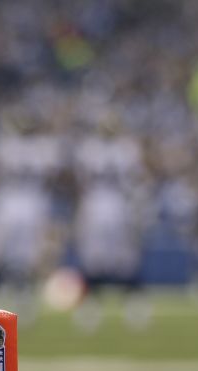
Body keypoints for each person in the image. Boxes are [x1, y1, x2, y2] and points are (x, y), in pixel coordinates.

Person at [71, 114, 150, 331]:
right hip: (105, 206)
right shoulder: (98, 149)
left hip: (110, 206)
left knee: (123, 260)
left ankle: (133, 305)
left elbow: (135, 181)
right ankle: (92, 306)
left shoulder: (122, 149)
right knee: (96, 260)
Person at [0, 110, 64, 320]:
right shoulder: (43, 147)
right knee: (21, 256)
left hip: (11, 203)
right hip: (32, 203)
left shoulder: (7, 146)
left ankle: (14, 296)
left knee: (15, 255)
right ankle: (22, 299)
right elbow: (53, 177)